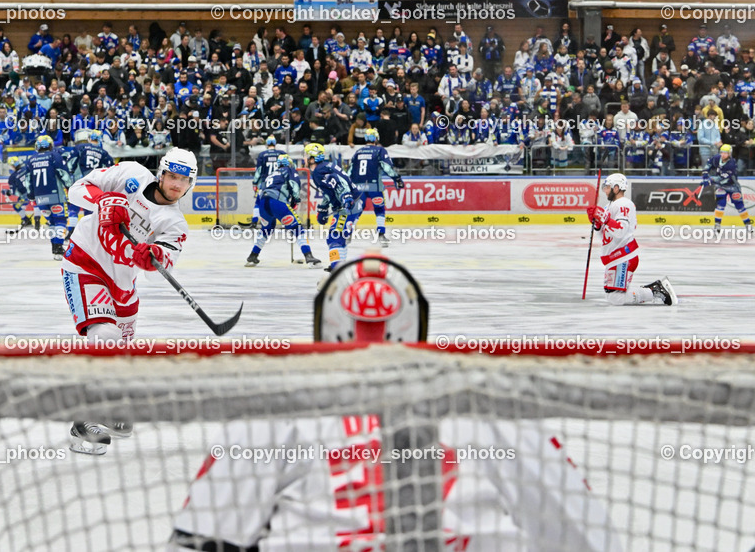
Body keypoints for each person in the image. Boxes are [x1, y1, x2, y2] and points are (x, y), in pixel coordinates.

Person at [172, 254, 619, 552]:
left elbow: (200, 539)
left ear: (324, 323)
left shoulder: (273, 410)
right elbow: (587, 537)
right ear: (416, 325)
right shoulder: (496, 410)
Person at [61, 148, 195, 342]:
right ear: (161, 175)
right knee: (104, 337)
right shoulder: (132, 173)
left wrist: (153, 258)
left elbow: (157, 275)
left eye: (183, 179)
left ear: (191, 183)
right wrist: (103, 200)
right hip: (84, 263)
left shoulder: (175, 224)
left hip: (123, 283)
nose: (176, 184)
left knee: (123, 349)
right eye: (172, 176)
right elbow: (76, 190)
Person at [586, 173, 676, 306]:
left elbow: (621, 231)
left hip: (623, 255)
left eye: (608, 187)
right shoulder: (609, 206)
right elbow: (606, 236)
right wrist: (598, 225)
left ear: (616, 188)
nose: (605, 190)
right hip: (615, 257)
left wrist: (603, 218)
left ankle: (654, 291)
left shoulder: (624, 204)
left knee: (616, 298)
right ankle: (654, 289)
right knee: (612, 295)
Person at [245, 154, 321, 268]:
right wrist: (295, 200)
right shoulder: (289, 170)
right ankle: (309, 257)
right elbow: (294, 185)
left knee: (265, 230)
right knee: (297, 228)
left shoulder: (271, 174)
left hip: (263, 203)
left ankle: (253, 256)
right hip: (277, 202)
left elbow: (261, 190)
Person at [306, 142, 361, 271]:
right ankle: (339, 265)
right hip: (353, 204)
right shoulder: (326, 166)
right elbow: (329, 190)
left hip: (348, 207)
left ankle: (337, 269)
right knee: (341, 237)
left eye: (308, 155)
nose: (306, 158)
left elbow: (337, 183)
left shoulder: (319, 171)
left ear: (314, 158)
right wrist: (323, 208)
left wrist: (346, 197)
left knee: (334, 237)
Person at [348, 128, 406, 246]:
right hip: (374, 186)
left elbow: (349, 171)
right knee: (379, 210)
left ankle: (347, 235)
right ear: (376, 138)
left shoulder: (358, 152)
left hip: (358, 187)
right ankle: (381, 235)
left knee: (356, 211)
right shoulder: (380, 150)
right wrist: (397, 179)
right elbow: (387, 168)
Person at [26, 135, 75, 259]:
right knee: (60, 220)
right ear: (50, 145)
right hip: (56, 195)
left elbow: (28, 181)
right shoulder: (54, 156)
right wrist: (70, 187)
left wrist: (31, 196)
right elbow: (63, 173)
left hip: (39, 197)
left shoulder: (31, 159)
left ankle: (54, 247)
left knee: (51, 222)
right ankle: (58, 247)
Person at [66, 130, 115, 232]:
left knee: (73, 208)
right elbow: (111, 170)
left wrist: (70, 173)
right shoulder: (104, 153)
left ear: (89, 139)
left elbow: (70, 163)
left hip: (80, 182)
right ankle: (87, 232)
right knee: (89, 209)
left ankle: (71, 231)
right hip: (94, 184)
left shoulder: (81, 147)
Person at [702, 144, 752, 233]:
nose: (723, 154)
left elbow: (722, 177)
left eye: (725, 153)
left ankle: (748, 224)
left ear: (729, 154)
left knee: (739, 206)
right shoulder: (717, 158)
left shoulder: (732, 164)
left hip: (733, 186)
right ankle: (717, 225)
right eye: (721, 152)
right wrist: (705, 173)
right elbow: (709, 163)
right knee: (721, 204)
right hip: (720, 186)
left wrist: (710, 181)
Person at [250, 136, 280, 225]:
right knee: (282, 202)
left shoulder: (262, 154)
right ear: (275, 144)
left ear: (267, 144)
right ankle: (286, 223)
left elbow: (259, 170)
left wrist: (255, 182)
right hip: (279, 182)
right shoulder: (281, 154)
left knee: (259, 202)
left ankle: (254, 221)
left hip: (265, 183)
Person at [5, 160, 36, 231]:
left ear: (12, 166)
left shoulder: (12, 177)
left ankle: (25, 219)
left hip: (25, 195)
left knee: (16, 206)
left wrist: (7, 192)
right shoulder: (26, 168)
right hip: (34, 191)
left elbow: (13, 191)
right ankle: (47, 220)